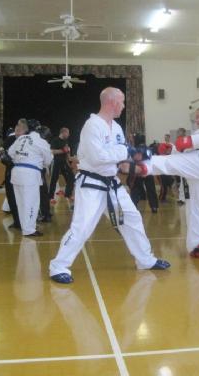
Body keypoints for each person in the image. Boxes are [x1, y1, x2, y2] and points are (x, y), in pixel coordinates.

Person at [49, 87, 170, 284]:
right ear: (112, 102)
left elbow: (119, 159)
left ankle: (145, 259)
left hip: (112, 183)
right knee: (82, 227)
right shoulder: (92, 126)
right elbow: (98, 157)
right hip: (91, 184)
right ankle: (58, 266)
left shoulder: (117, 128)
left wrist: (138, 159)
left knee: (132, 218)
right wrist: (127, 151)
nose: (123, 106)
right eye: (121, 102)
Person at [120, 107, 199, 259]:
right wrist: (172, 148)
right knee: (194, 208)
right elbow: (184, 153)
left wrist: (187, 141)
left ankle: (144, 165)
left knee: (169, 163)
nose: (197, 120)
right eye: (196, 117)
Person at [8, 119, 53, 237]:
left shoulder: (21, 138)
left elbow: (10, 153)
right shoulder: (41, 141)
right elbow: (48, 161)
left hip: (16, 173)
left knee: (21, 203)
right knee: (31, 202)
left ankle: (26, 227)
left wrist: (21, 158)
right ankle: (29, 229)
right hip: (30, 174)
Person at [128, 133, 159, 213]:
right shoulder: (149, 148)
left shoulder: (134, 150)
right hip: (148, 171)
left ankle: (133, 205)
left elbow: (131, 160)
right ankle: (154, 207)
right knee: (151, 189)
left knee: (135, 189)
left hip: (138, 171)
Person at [49, 127, 75, 205]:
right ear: (63, 132)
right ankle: (50, 197)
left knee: (70, 177)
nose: (69, 134)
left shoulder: (66, 141)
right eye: (67, 133)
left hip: (64, 162)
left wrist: (69, 162)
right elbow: (52, 151)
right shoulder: (55, 140)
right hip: (56, 162)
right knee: (54, 180)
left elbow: (67, 153)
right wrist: (62, 150)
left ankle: (68, 194)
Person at [157, 134, 174, 202]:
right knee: (163, 185)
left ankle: (165, 195)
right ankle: (162, 198)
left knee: (169, 181)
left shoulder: (172, 146)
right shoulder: (161, 145)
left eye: (167, 137)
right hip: (162, 168)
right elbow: (161, 154)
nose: (166, 138)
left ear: (169, 138)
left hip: (168, 168)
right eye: (165, 137)